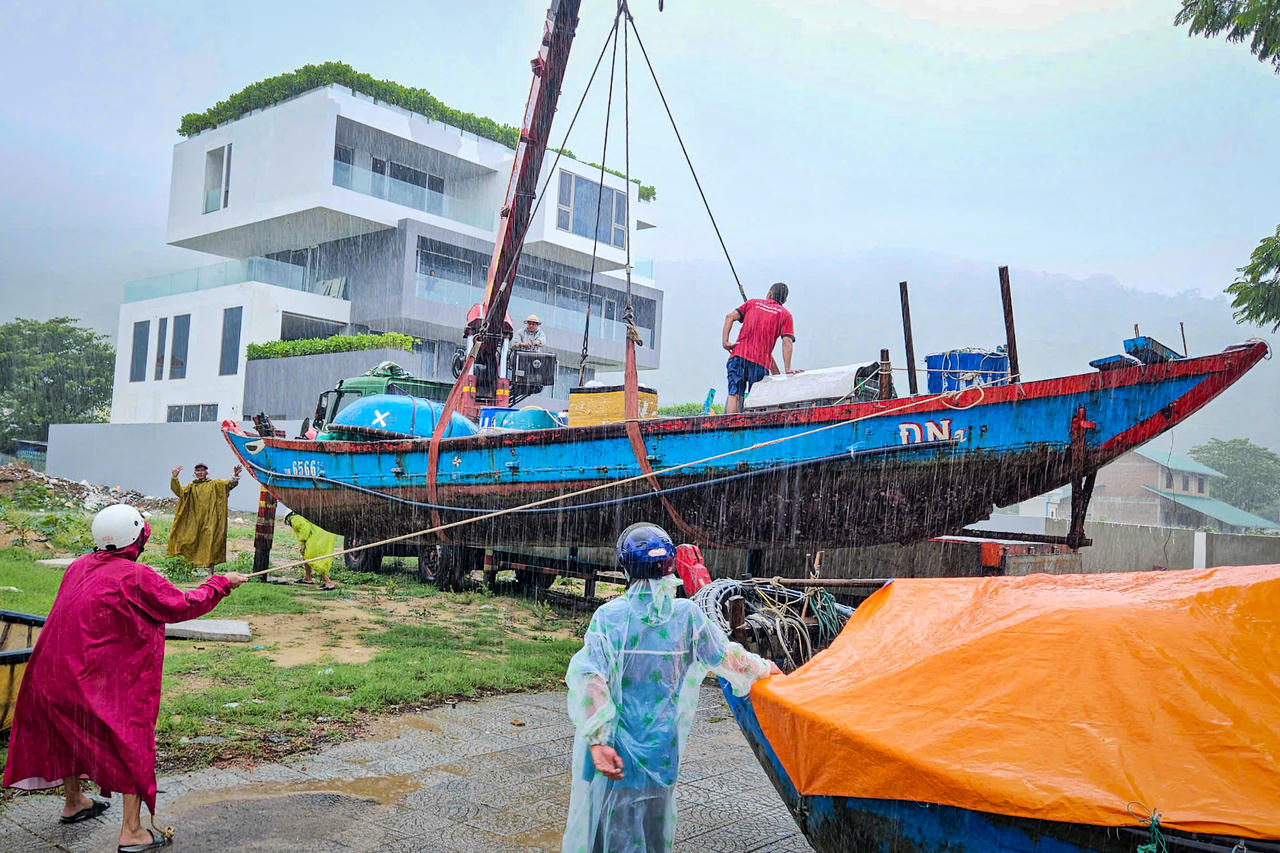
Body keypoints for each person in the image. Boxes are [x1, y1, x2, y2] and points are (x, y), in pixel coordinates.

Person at [3, 504, 248, 852]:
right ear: (136, 538)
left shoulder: (77, 567)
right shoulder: (136, 576)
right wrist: (221, 583)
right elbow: (182, 605)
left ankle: (75, 801)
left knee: (67, 730)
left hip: (49, 676)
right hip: (90, 682)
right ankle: (133, 832)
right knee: (131, 740)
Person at [561, 522, 781, 853]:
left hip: (616, 751)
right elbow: (728, 658)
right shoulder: (687, 617)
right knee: (654, 832)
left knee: (611, 833)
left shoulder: (610, 617)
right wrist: (766, 668)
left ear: (625, 568)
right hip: (662, 751)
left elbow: (592, 678)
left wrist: (597, 740)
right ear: (670, 566)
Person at [721, 281, 798, 414]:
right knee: (756, 398)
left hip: (739, 355)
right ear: (784, 300)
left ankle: (731, 429)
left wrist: (725, 342)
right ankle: (753, 427)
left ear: (769, 294)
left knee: (734, 394)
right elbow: (787, 341)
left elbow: (729, 317)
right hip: (759, 363)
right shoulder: (785, 315)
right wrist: (787, 369)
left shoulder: (752, 303)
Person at [167, 462, 240, 568]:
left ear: (206, 472)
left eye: (202, 470)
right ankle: (189, 568)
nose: (200, 472)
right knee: (187, 541)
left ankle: (210, 571)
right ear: (195, 473)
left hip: (211, 519)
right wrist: (174, 477)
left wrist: (236, 475)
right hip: (194, 520)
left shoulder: (215, 484)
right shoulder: (191, 487)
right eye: (198, 471)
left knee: (210, 544)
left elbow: (229, 484)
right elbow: (179, 492)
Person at [285, 511, 338, 590]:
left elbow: (305, 528)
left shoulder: (294, 518)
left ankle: (328, 582)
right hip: (325, 534)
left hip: (318, 537)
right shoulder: (303, 516)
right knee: (306, 555)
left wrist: (303, 543)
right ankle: (308, 578)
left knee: (313, 558)